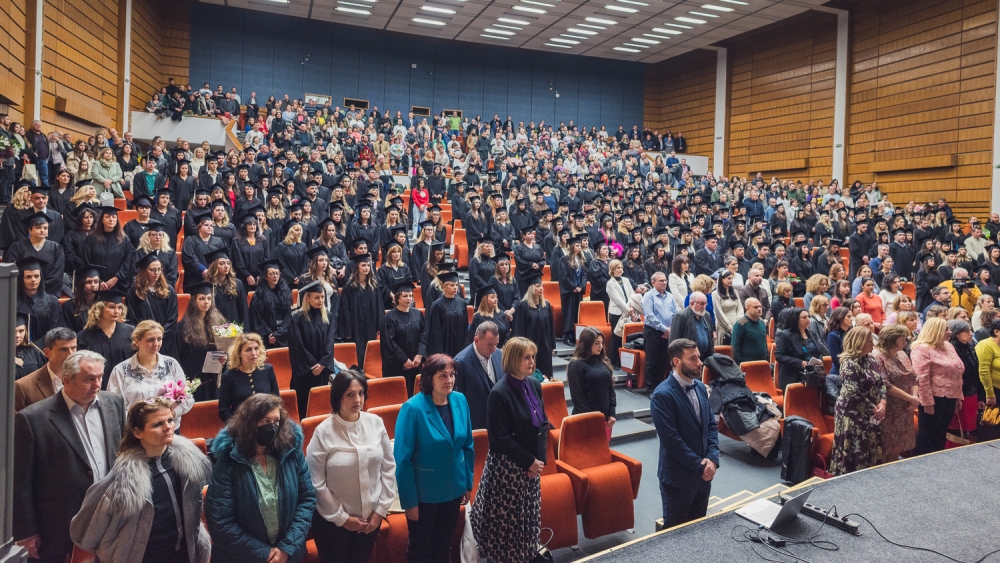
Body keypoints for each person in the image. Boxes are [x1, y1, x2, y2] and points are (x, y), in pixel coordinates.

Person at [69, 397, 212, 563]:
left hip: (182, 556)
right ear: (137, 432)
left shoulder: (189, 463)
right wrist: (114, 550)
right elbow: (83, 534)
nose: (168, 427)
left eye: (170, 420)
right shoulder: (121, 480)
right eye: (158, 424)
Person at [14, 351, 126, 563]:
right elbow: (20, 482)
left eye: (100, 377)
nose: (97, 385)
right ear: (67, 380)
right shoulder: (32, 419)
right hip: (58, 527)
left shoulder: (115, 404)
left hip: (110, 520)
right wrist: (26, 531)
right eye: (89, 379)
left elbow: (124, 455)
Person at [205, 393, 316, 563]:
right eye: (266, 421)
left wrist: (286, 548)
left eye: (276, 421)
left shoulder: (291, 453)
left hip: (287, 555)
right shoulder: (228, 462)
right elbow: (221, 522)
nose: (272, 427)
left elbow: (307, 500)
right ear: (249, 423)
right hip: (243, 558)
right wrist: (264, 554)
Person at [470, 337, 548, 563]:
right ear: (513, 359)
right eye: (526, 357)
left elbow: (543, 423)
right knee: (508, 529)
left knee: (527, 524)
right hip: (507, 472)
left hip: (531, 468)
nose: (531, 362)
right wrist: (529, 462)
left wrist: (539, 461)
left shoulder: (534, 384)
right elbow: (500, 439)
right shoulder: (499, 393)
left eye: (532, 357)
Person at [305, 370, 396, 563]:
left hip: (370, 520)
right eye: (350, 394)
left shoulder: (375, 423)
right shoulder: (323, 432)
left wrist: (380, 511)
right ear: (338, 397)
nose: (357, 399)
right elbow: (316, 482)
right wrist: (342, 518)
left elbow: (388, 468)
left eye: (361, 393)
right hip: (332, 523)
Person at [394, 355, 475, 563]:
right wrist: (409, 502)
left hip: (453, 490)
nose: (449, 380)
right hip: (424, 496)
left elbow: (467, 446)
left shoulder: (460, 400)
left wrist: (467, 484)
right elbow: (402, 460)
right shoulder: (412, 408)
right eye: (443, 376)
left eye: (452, 375)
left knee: (444, 546)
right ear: (429, 378)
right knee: (420, 551)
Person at [649, 339, 719, 529]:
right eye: (693, 359)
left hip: (704, 476)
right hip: (678, 478)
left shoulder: (700, 387)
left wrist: (712, 459)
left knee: (697, 528)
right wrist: (700, 466)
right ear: (677, 361)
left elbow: (711, 426)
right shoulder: (662, 395)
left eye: (699, 357)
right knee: (674, 533)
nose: (700, 363)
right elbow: (672, 440)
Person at [107, 320, 193, 426]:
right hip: (137, 430)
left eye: (159, 339)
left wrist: (172, 414)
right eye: (150, 340)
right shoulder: (120, 370)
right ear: (137, 341)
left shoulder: (171, 364)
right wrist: (139, 423)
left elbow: (187, 398)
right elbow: (114, 406)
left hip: (168, 428)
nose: (156, 344)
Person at [828, 327, 886, 475]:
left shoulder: (871, 359)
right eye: (869, 341)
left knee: (871, 444)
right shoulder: (848, 363)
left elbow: (881, 382)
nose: (873, 344)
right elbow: (853, 391)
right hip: (852, 413)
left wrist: (883, 402)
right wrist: (874, 407)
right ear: (859, 343)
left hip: (871, 412)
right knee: (855, 447)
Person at [910, 317, 965, 455]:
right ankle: (919, 464)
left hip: (950, 397)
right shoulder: (921, 349)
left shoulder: (948, 346)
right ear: (936, 331)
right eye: (946, 329)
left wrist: (959, 396)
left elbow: (958, 372)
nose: (950, 331)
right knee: (927, 435)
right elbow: (921, 378)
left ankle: (937, 462)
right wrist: (927, 403)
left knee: (941, 433)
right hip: (934, 399)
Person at [167, 282, 225, 402]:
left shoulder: (217, 323)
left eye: (209, 298)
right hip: (192, 376)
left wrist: (224, 358)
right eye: (202, 298)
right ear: (194, 301)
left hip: (211, 375)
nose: (206, 302)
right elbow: (175, 356)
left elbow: (222, 349)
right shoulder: (182, 327)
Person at [872, 324, 920, 462]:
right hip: (889, 408)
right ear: (891, 340)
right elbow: (885, 384)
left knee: (898, 445)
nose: (905, 342)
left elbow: (914, 377)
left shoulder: (902, 353)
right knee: (887, 445)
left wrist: (914, 398)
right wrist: (911, 398)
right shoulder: (877, 356)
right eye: (902, 339)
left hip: (905, 407)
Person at [289, 281, 337, 416]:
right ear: (308, 298)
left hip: (322, 371)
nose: (320, 300)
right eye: (316, 297)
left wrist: (322, 363)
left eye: (322, 297)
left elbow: (330, 342)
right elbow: (298, 346)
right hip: (305, 372)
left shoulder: (329, 316)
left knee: (321, 406)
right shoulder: (297, 319)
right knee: (305, 406)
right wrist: (313, 365)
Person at [567, 327, 617, 440]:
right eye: (596, 343)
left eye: (602, 343)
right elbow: (578, 397)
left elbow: (610, 389)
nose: (601, 346)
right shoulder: (576, 364)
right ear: (587, 344)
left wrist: (612, 412)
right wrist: (592, 419)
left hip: (604, 418)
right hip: (586, 419)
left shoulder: (603, 361)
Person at [76, 290, 136, 382]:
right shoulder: (84, 336)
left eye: (119, 307)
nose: (116, 311)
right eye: (112, 307)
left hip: (127, 383)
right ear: (100, 309)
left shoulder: (130, 332)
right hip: (97, 384)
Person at [219, 333, 281, 422]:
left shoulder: (268, 370)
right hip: (242, 423)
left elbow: (277, 401)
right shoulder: (228, 376)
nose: (254, 353)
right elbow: (223, 411)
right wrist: (239, 425)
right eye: (248, 350)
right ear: (239, 353)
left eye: (256, 348)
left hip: (268, 421)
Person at [455, 321, 503, 431]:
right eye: (489, 345)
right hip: (476, 425)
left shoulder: (500, 355)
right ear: (476, 341)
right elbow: (458, 401)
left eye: (496, 344)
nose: (494, 350)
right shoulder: (460, 362)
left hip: (499, 423)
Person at [14, 327, 76, 411]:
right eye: (63, 349)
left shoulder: (84, 378)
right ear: (47, 352)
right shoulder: (24, 387)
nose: (70, 354)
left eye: (73, 348)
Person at [338, 253, 384, 367]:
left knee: (369, 351)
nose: (366, 268)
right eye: (363, 265)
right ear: (357, 267)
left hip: (371, 324)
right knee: (358, 352)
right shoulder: (349, 287)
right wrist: (348, 330)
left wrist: (379, 325)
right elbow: (345, 310)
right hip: (356, 326)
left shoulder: (374, 285)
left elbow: (379, 306)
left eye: (368, 265)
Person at [510, 271, 556, 378]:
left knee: (546, 375)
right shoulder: (523, 306)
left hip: (545, 347)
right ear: (531, 288)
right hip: (529, 348)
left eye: (542, 286)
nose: (541, 288)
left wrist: (552, 346)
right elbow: (519, 329)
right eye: (538, 286)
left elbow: (551, 327)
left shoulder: (546, 305)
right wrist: (520, 348)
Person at [774, 307, 829, 390]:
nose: (808, 319)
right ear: (795, 320)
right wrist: (800, 363)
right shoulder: (785, 335)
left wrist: (819, 360)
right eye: (804, 317)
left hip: (812, 375)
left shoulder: (812, 333)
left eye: (808, 316)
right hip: (793, 377)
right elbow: (779, 356)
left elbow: (817, 352)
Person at [947, 319, 982, 444]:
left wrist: (980, 396)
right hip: (960, 393)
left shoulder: (970, 346)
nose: (971, 333)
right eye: (966, 331)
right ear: (957, 334)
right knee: (958, 426)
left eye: (970, 330)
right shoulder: (951, 349)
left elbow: (976, 371)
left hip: (972, 392)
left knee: (971, 425)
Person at [642, 272, 677, 393]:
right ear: (653, 282)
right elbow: (650, 316)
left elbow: (674, 313)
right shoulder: (648, 296)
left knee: (663, 361)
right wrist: (664, 329)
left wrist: (670, 329)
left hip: (667, 331)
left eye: (665, 280)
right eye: (661, 281)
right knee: (651, 361)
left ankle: (660, 387)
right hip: (653, 331)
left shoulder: (670, 296)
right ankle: (650, 388)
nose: (664, 283)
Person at [422, 269, 469, 359]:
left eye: (456, 285)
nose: (455, 287)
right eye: (452, 285)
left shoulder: (462, 303)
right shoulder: (437, 305)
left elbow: (465, 327)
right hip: (444, 345)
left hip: (459, 345)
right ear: (444, 287)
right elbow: (435, 332)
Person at [558, 236, 589, 345]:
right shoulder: (564, 259)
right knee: (568, 314)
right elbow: (563, 276)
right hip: (568, 292)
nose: (579, 247)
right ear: (572, 247)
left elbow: (584, 275)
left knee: (576, 313)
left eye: (580, 246)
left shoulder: (580, 260)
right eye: (577, 245)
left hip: (578, 292)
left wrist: (581, 286)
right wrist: (573, 287)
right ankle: (567, 336)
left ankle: (576, 336)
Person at [607, 258, 636, 370]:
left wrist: (632, 306)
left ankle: (622, 360)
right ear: (612, 270)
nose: (620, 270)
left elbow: (632, 295)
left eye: (621, 268)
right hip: (617, 313)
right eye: (617, 268)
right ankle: (613, 361)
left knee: (626, 336)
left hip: (628, 310)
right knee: (616, 337)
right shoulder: (610, 283)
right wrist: (629, 310)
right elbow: (617, 300)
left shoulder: (626, 280)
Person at [669, 291, 715, 360]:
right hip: (689, 359)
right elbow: (674, 342)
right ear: (692, 303)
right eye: (702, 304)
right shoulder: (681, 316)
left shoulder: (707, 315)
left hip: (706, 358)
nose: (704, 306)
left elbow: (710, 338)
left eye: (705, 303)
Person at [731, 298, 768, 365]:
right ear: (747, 309)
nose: (759, 309)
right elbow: (735, 346)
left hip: (762, 362)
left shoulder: (762, 322)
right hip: (747, 364)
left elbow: (764, 342)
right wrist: (739, 364)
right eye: (755, 307)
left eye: (760, 306)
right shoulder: (740, 324)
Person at [712, 270, 744, 346]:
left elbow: (739, 308)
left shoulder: (734, 292)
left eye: (732, 278)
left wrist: (738, 324)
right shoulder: (715, 294)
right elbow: (719, 313)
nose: (731, 280)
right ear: (722, 280)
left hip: (736, 324)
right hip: (723, 326)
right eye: (729, 278)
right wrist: (729, 327)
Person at [825, 307, 854, 379]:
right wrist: (850, 368)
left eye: (851, 316)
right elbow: (836, 359)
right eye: (848, 316)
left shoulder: (851, 333)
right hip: (840, 372)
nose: (852, 319)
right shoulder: (832, 335)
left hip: (852, 368)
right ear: (840, 318)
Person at [977, 318, 1000, 411]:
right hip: (995, 390)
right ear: (996, 332)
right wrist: (990, 394)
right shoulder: (986, 344)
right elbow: (984, 371)